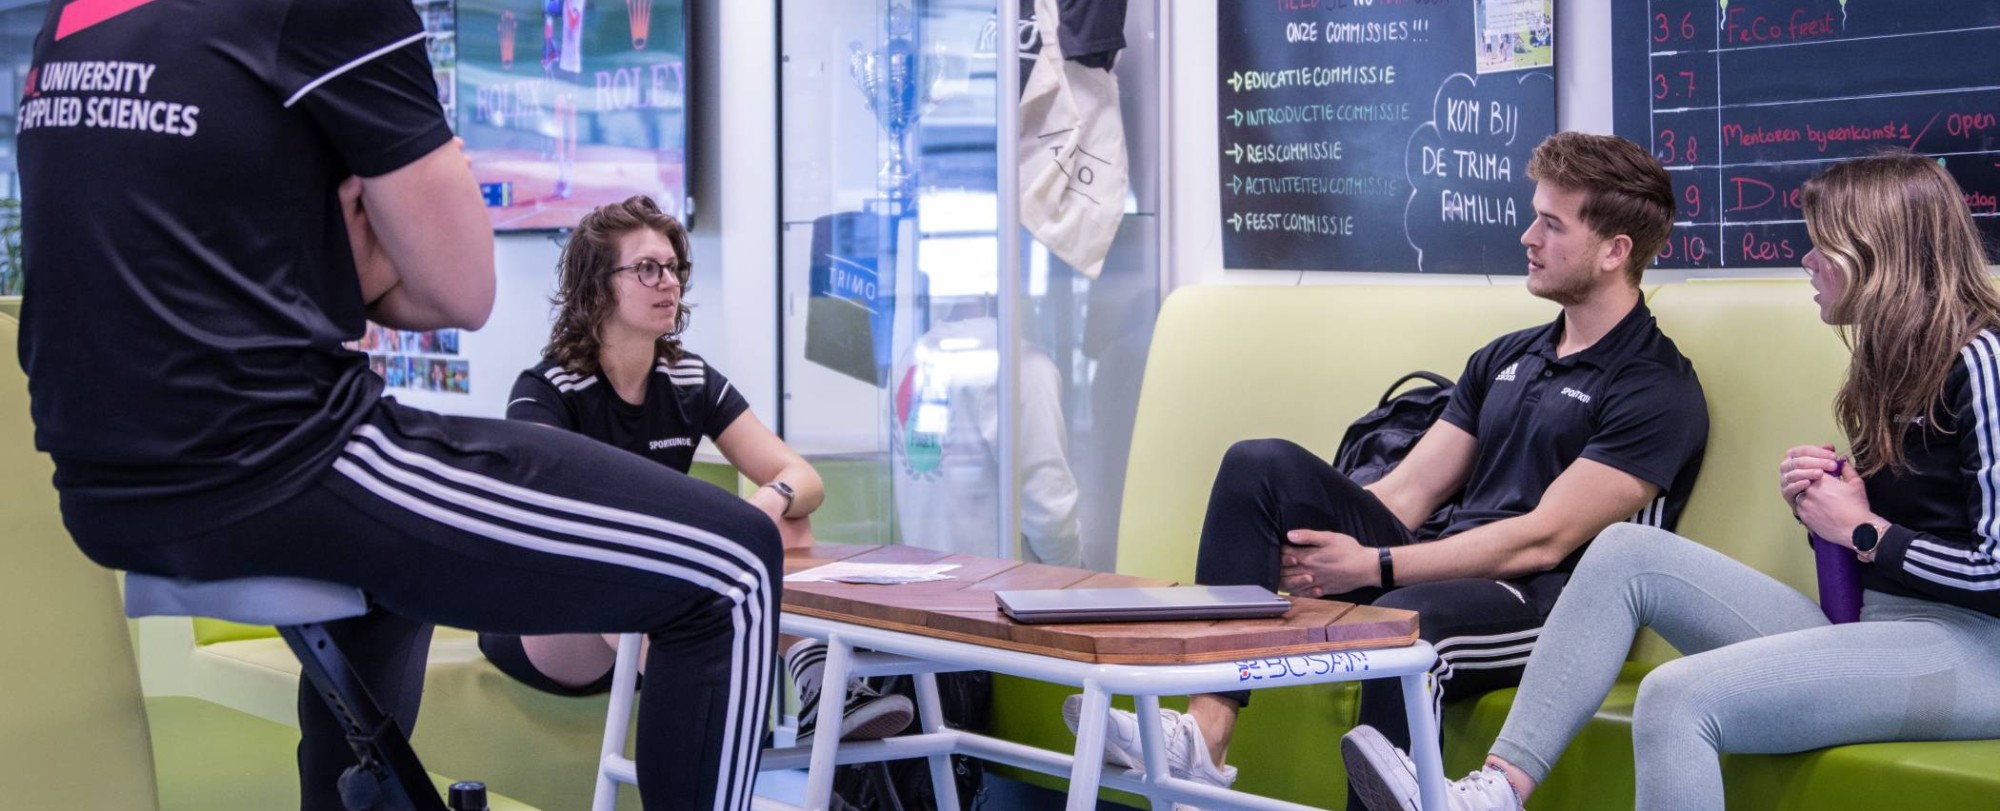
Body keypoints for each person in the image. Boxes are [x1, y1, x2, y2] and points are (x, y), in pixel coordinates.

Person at [14, 5, 777, 810]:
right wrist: (364, 253)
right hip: (282, 461)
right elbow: (461, 286)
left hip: (103, 486)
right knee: (731, 564)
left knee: (387, 594)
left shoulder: (70, 17)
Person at [1062, 132, 1710, 810]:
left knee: (1404, 621)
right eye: (1533, 214)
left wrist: (1372, 566)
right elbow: (1406, 492)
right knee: (1258, 465)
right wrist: (1319, 554)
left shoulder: (1655, 388)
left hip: (1541, 606)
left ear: (1615, 251)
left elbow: (1540, 540)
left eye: (1552, 223)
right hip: (1437, 564)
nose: (1528, 236)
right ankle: (1204, 733)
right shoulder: (1504, 357)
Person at [1340, 151, 2000, 810]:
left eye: (1823, 245)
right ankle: (1494, 791)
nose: (1807, 260)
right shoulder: (1887, 365)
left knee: (1675, 696)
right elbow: (1894, 542)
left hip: (1971, 650)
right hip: (1879, 626)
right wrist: (1833, 506)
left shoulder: (1981, 360)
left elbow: (1993, 569)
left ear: (1876, 253)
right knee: (1626, 552)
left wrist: (1862, 528)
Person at [477, 196, 913, 744]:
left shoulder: (687, 379)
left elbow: (803, 478)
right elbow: (546, 516)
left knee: (784, 520)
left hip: (644, 612)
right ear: (596, 288)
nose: (669, 283)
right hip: (547, 622)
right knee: (625, 566)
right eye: (646, 269)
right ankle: (733, 714)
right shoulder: (548, 389)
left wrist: (770, 499)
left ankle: (812, 672)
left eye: (673, 268)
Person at [892, 298, 1083, 567]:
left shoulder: (913, 356)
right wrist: (1075, 577)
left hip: (927, 592)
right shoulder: (1020, 365)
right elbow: (1049, 514)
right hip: (1002, 596)